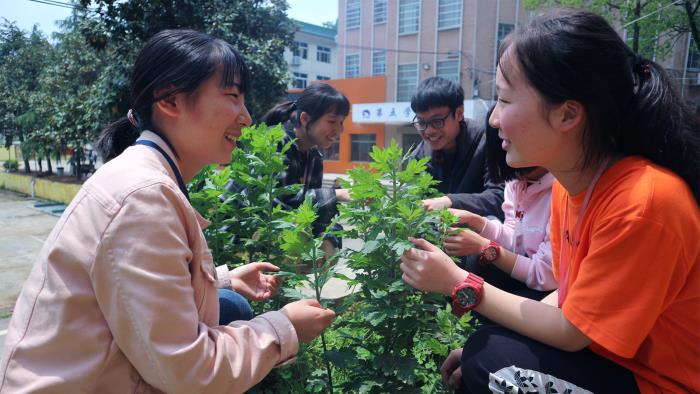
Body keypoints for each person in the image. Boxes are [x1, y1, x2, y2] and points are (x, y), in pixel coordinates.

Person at [0, 29, 335, 393]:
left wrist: (219, 281)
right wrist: (284, 327)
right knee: (236, 311)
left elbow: (134, 289)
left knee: (230, 302)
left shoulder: (144, 176)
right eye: (232, 96)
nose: (247, 117)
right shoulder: (142, 198)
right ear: (170, 101)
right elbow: (189, 373)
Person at [400, 9, 699, 393]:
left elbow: (574, 331)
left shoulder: (643, 202)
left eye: (505, 100)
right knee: (487, 352)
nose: (494, 119)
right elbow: (568, 295)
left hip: (659, 382)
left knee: (490, 360)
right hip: (612, 360)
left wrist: (458, 282)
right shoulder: (569, 187)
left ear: (568, 114)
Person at [445, 106, 556, 301]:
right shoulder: (516, 181)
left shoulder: (561, 191)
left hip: (548, 289)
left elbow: (545, 274)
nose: (518, 180)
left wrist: (486, 247)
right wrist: (478, 223)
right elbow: (514, 238)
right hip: (526, 276)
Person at [257, 82, 351, 254]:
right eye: (332, 121)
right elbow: (278, 204)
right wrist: (338, 194)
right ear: (305, 119)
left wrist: (331, 240)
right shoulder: (274, 141)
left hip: (273, 244)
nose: (338, 131)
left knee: (327, 250)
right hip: (243, 244)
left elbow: (312, 212)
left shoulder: (314, 156)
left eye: (341, 122)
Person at [408, 76, 504, 220]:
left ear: (459, 113)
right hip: (436, 235)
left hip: (482, 235)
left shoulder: (487, 141)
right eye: (422, 122)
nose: (428, 131)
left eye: (437, 121)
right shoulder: (418, 157)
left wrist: (450, 201)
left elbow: (500, 196)